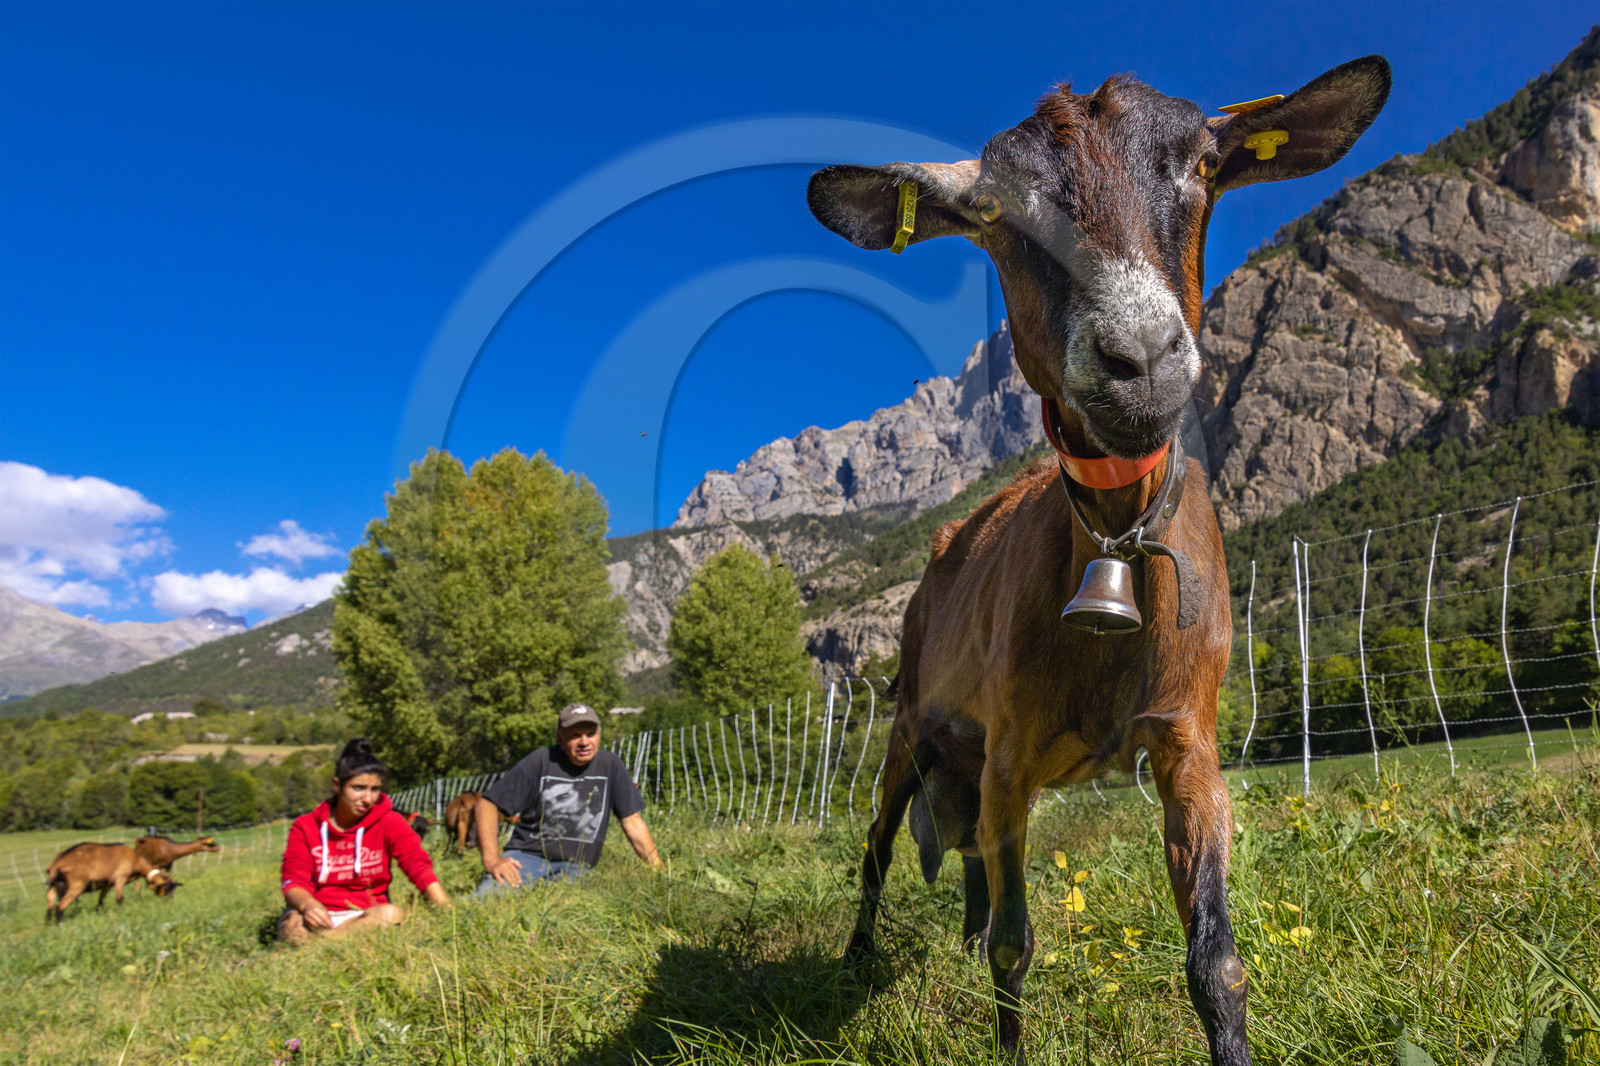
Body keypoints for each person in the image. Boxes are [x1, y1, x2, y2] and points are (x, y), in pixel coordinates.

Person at [474, 703, 662, 895]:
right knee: (491, 898)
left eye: (590, 733)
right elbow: (486, 804)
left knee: (568, 909)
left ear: (599, 735)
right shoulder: (541, 760)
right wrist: (492, 860)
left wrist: (660, 873)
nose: (584, 742)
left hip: (576, 866)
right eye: (574, 735)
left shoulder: (610, 766)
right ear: (560, 738)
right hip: (526, 857)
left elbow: (632, 822)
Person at [278, 738, 451, 942]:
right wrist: (308, 905)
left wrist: (447, 911)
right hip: (317, 914)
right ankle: (335, 942)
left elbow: (418, 866)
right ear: (337, 785)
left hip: (365, 916)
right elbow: (292, 881)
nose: (368, 799)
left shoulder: (390, 821)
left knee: (392, 914)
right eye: (358, 788)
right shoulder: (305, 826)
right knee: (291, 924)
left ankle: (323, 945)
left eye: (375, 789)